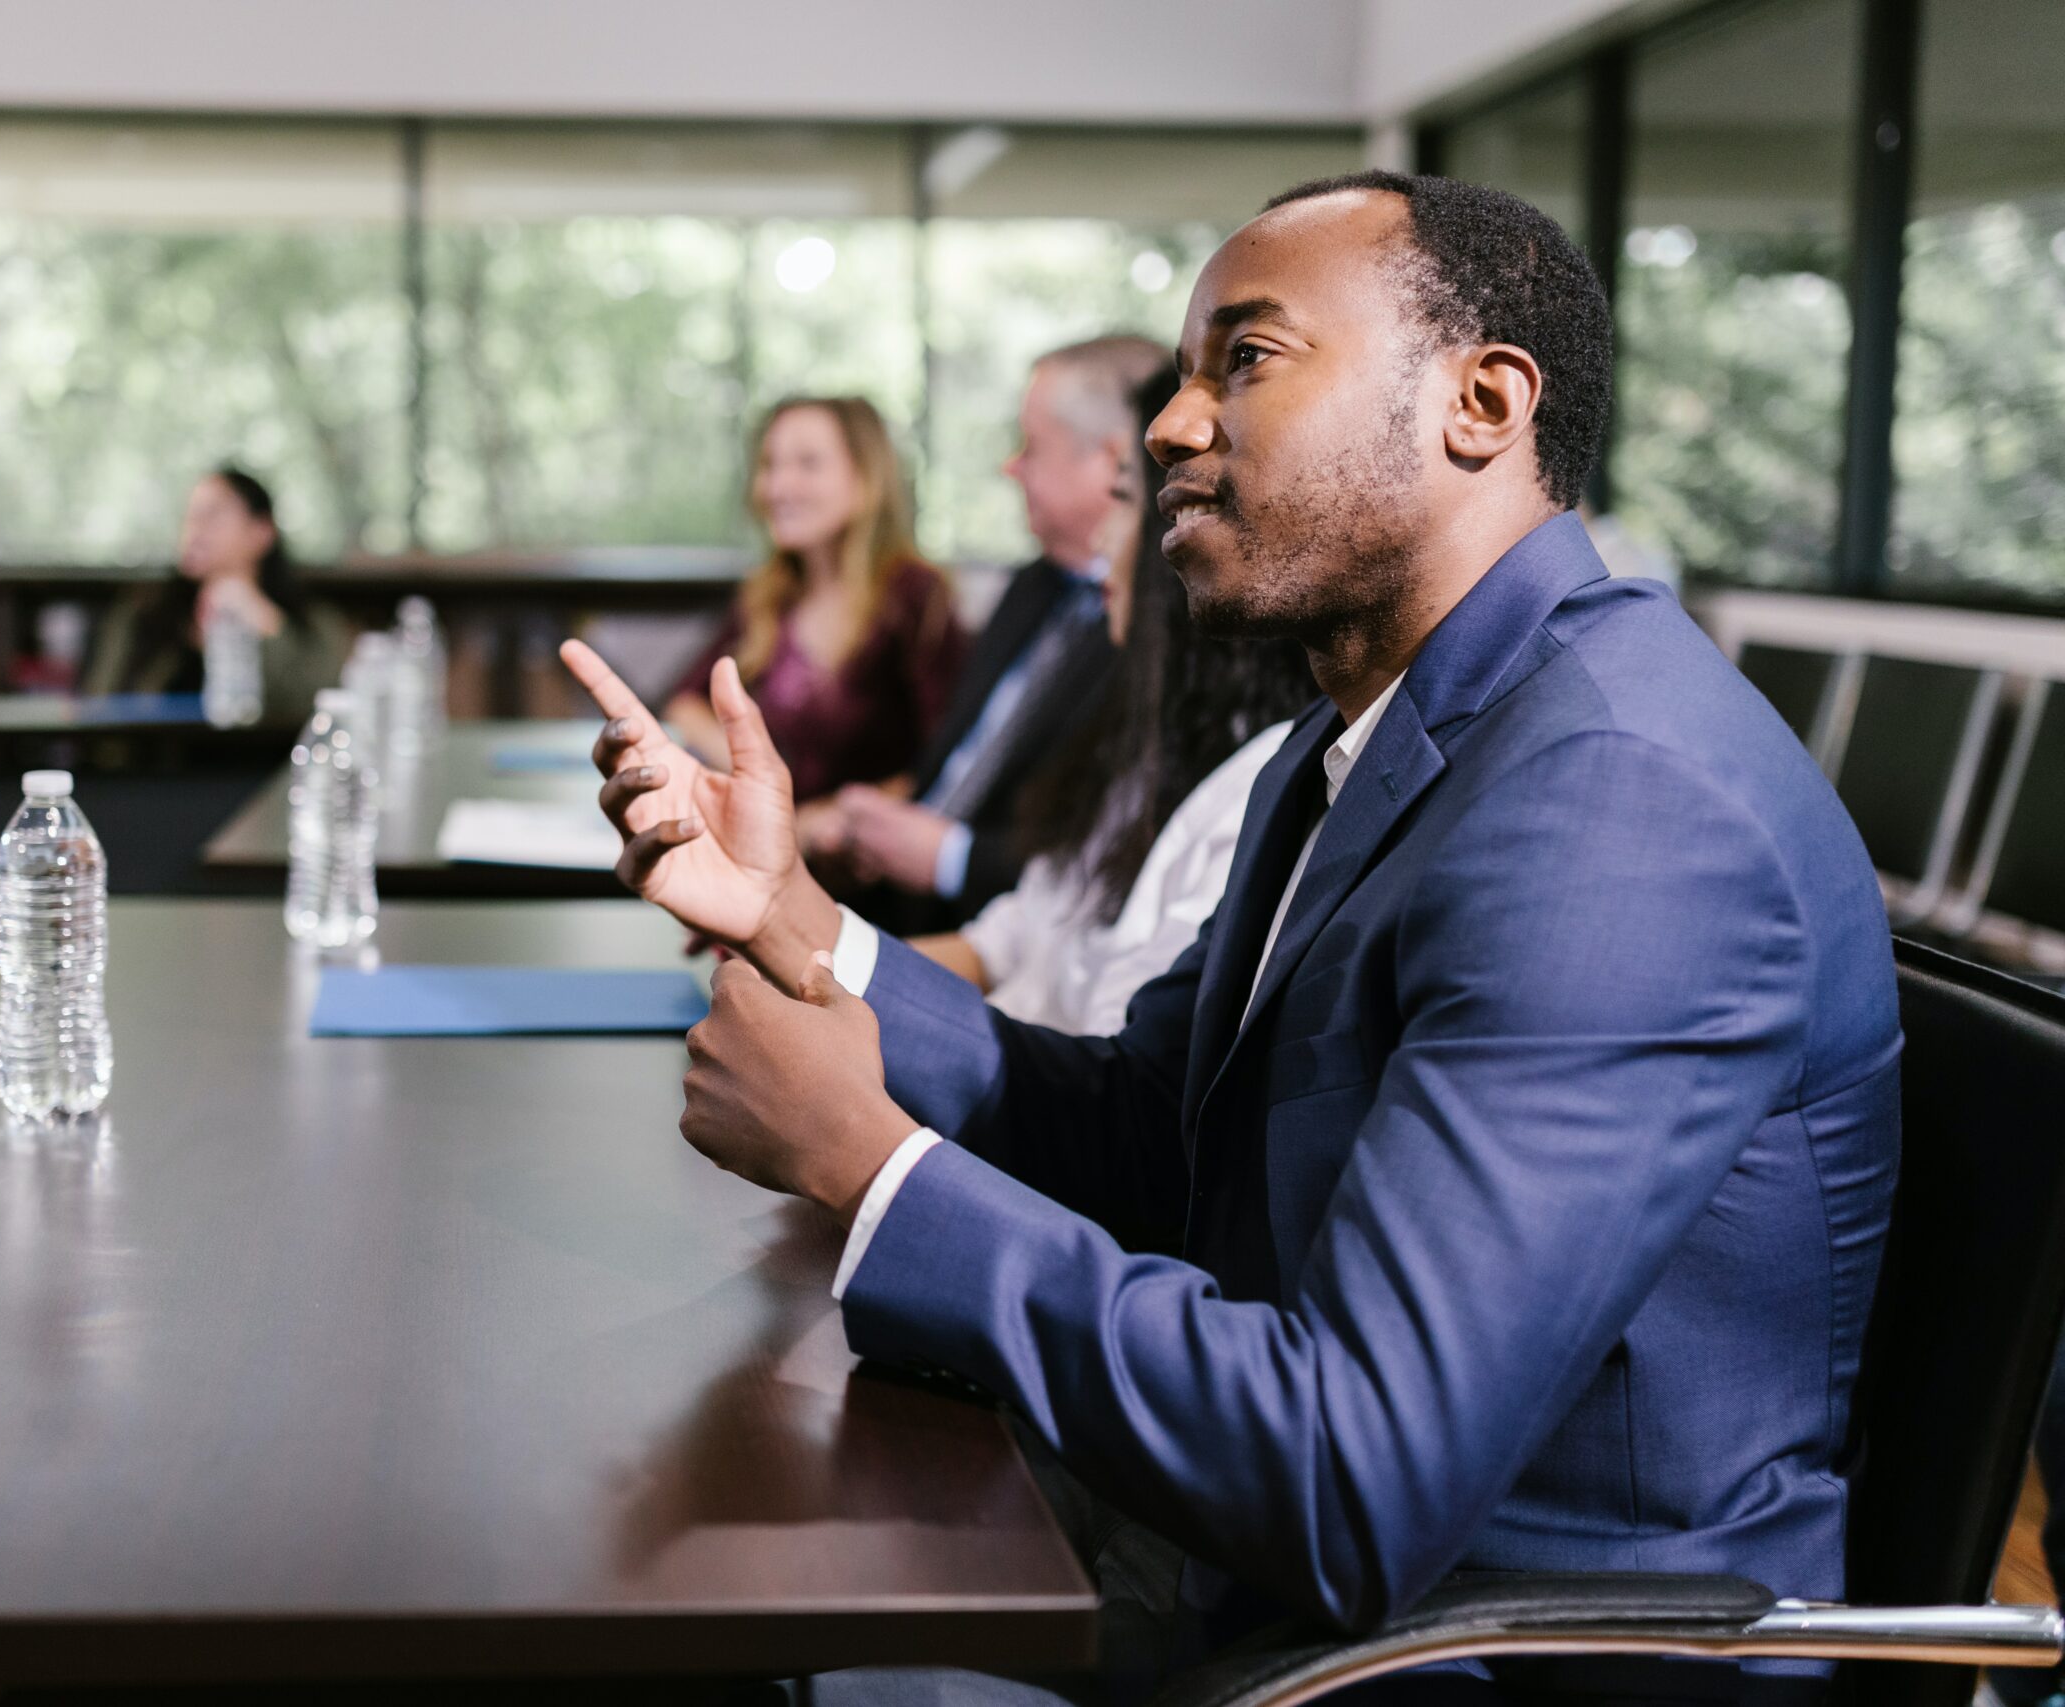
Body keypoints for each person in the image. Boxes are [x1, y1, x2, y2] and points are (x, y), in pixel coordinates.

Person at [565, 172, 1899, 1705]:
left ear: (1482, 401)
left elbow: (1358, 1474)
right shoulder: (1362, 742)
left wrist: (875, 1166)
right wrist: (795, 914)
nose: (1170, 425)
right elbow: (1154, 1130)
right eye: (1183, 374)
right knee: (708, 1554)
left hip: (1477, 1649)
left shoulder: (1616, 803)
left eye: (1244, 359)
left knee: (714, 1608)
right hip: (1289, 1579)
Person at [909, 364, 1311, 1036]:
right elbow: (1005, 940)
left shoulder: (1252, 789)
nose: (1101, 542)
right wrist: (801, 957)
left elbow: (1110, 1073)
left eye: (1122, 500)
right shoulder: (1141, 740)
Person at [807, 336, 1165, 933]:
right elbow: (953, 765)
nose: (1010, 467)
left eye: (1030, 447)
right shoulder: (1035, 585)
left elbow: (1117, 854)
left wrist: (949, 859)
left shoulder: (1160, 631)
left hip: (1002, 934)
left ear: (1110, 460)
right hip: (892, 898)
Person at [663, 397, 962, 802]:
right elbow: (684, 704)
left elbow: (953, 759)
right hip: (775, 840)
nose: (777, 486)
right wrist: (762, 780)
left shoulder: (915, 595)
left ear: (865, 480)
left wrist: (838, 819)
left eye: (808, 464)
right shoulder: (770, 594)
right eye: (770, 465)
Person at [83, 466, 351, 710]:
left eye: (212, 515)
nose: (194, 530)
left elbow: (325, 709)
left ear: (262, 531)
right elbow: (100, 707)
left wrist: (265, 620)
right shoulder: (142, 615)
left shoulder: (312, 624)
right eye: (190, 517)